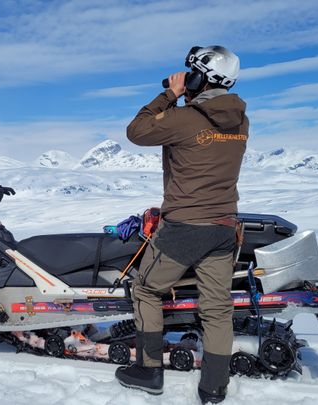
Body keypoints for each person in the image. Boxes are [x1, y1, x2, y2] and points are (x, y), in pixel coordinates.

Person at [115, 45, 248, 404]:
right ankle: (214, 387)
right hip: (224, 226)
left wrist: (170, 94)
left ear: (201, 78)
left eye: (190, 73)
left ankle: (148, 371)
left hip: (186, 226)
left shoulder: (187, 117)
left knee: (145, 289)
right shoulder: (239, 120)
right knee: (217, 307)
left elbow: (137, 130)